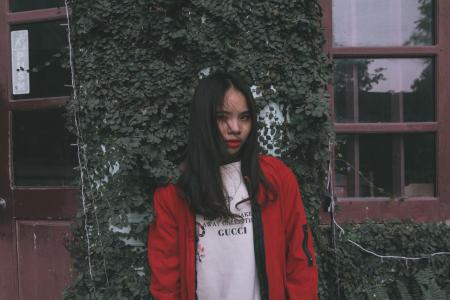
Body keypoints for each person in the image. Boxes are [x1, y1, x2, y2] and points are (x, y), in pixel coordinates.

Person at [147, 72, 318, 300]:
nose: (236, 128)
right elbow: (166, 282)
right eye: (222, 117)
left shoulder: (276, 178)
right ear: (203, 120)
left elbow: (300, 262)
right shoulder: (174, 192)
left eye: (244, 117)